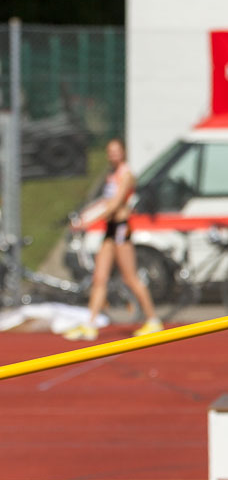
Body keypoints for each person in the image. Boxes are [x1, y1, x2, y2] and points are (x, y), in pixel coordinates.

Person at [64, 138, 163, 340]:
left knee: (130, 277)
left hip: (121, 229)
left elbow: (114, 204)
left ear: (123, 152)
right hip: (110, 229)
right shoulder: (111, 176)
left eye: (116, 151)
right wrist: (83, 215)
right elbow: (103, 202)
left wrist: (87, 223)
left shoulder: (126, 175)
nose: (112, 155)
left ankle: (153, 319)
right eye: (109, 151)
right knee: (99, 277)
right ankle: (90, 323)